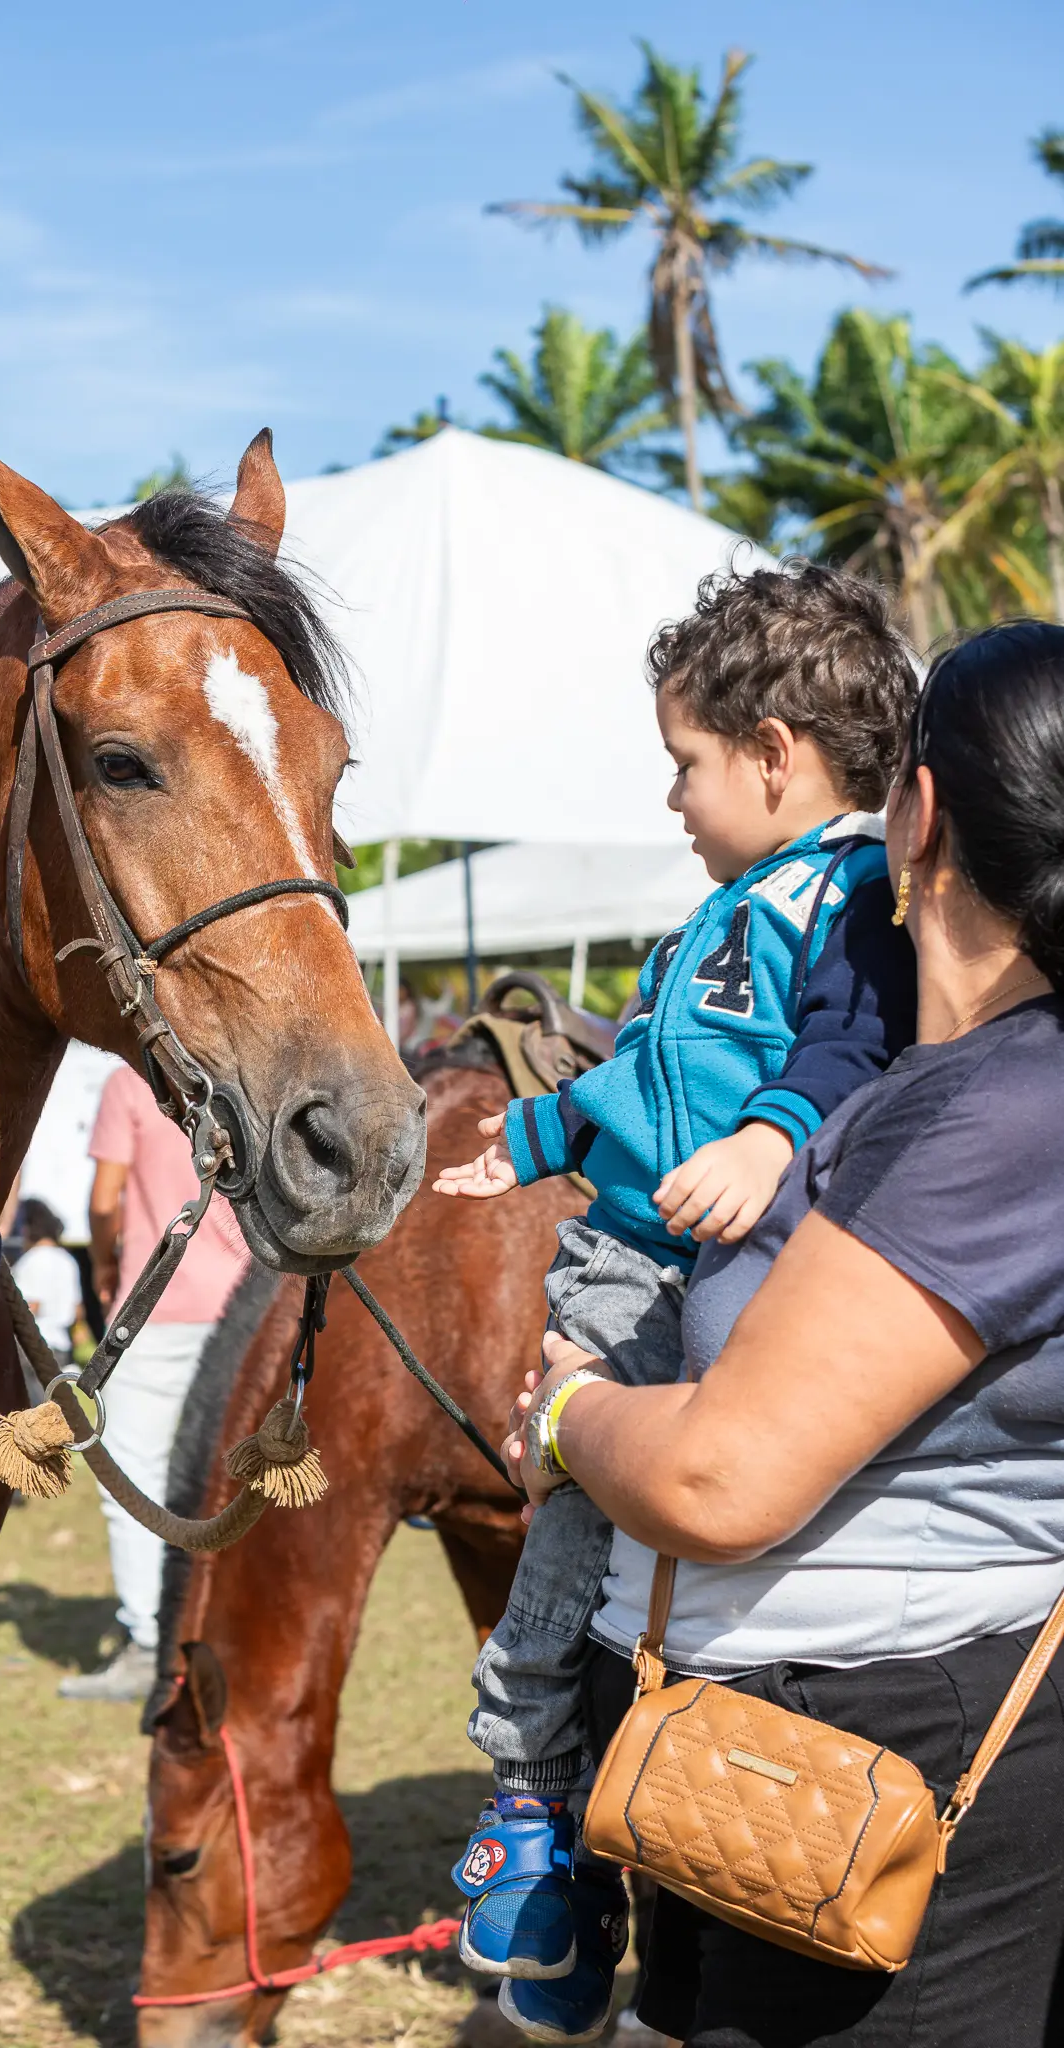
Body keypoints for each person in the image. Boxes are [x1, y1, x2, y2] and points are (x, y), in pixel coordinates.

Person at [506, 619, 1064, 2047]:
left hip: (894, 1756)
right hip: (768, 1747)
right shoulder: (937, 1082)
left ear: (918, 815)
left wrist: (568, 1415)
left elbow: (719, 1479)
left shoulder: (1005, 1109)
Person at [436, 562, 920, 2044]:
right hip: (620, 1256)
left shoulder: (844, 897)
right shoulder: (717, 917)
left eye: (684, 766)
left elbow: (855, 1039)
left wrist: (773, 1134)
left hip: (681, 1278)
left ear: (775, 754)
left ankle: (529, 1801)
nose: (670, 800)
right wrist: (518, 1141)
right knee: (570, 1555)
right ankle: (570, 1854)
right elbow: (631, 1094)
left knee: (569, 1522)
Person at [57, 1064, 249, 1703]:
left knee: (132, 1479)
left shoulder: (126, 1083)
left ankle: (149, 1643)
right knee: (225, 1480)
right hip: (239, 1311)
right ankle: (222, 1629)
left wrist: (108, 1270)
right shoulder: (236, 1074)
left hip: (151, 1308)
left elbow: (104, 1200)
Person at [10, 1198, 83, 1368]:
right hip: (63, 1346)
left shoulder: (31, 1260)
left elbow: (31, 1305)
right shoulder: (68, 1260)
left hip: (33, 1348)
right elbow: (77, 1310)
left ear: (28, 1228)